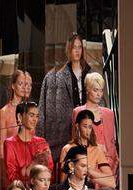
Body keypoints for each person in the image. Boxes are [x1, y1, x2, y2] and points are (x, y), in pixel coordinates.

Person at [37, 32, 91, 181]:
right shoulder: (56, 77)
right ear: (68, 50)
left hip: (85, 129)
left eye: (80, 47)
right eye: (74, 47)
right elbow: (44, 111)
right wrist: (42, 141)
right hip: (62, 134)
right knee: (63, 173)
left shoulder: (89, 73)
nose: (77, 50)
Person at [0, 70, 34, 190]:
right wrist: (6, 179)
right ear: (13, 86)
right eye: (22, 84)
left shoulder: (32, 113)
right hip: (11, 171)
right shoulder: (2, 112)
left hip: (30, 170)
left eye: (29, 84)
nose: (26, 87)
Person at [72, 72, 118, 175]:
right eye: (95, 90)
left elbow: (112, 143)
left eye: (101, 90)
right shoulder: (78, 112)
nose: (99, 94)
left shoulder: (109, 114)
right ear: (87, 90)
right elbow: (75, 140)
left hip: (107, 164)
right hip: (87, 162)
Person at [60, 111, 114, 189]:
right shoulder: (67, 149)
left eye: (90, 127)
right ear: (77, 126)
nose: (88, 130)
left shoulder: (96, 149)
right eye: (85, 126)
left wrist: (90, 172)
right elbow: (62, 180)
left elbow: (111, 181)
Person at [4, 101, 53, 186]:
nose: (35, 119)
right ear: (20, 117)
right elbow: (12, 177)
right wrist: (34, 163)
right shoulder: (10, 143)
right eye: (31, 115)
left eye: (37, 116)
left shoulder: (42, 142)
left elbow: (49, 171)